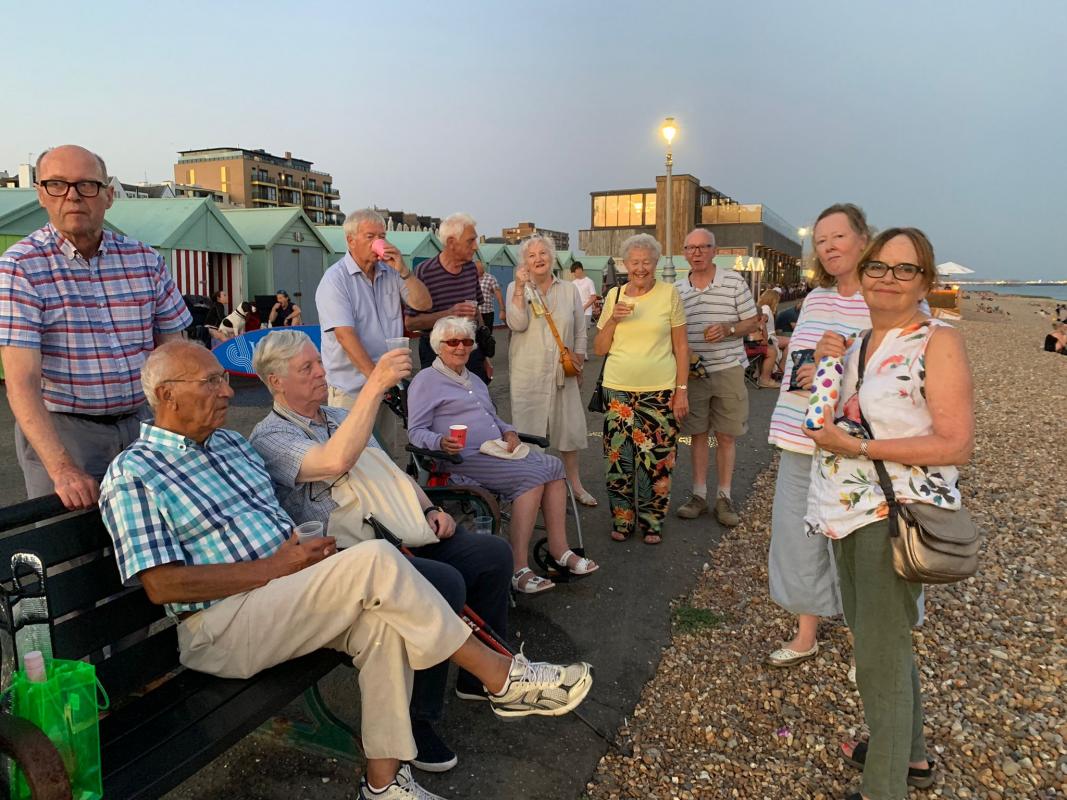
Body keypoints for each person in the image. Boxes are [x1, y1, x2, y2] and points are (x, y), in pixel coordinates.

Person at [99, 340, 593, 800]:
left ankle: (383, 785)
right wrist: (277, 565)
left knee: (381, 624)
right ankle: (500, 676)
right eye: (211, 382)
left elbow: (284, 516)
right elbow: (161, 585)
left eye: (222, 380)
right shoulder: (135, 472)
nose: (227, 389)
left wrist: (304, 551)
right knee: (378, 561)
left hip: (284, 592)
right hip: (220, 625)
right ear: (167, 395)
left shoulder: (230, 445)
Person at [248, 330, 512, 774]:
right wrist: (375, 384)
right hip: (353, 552)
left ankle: (474, 678)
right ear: (276, 382)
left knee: (492, 555)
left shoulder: (337, 413)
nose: (321, 372)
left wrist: (429, 510)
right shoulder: (268, 436)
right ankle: (417, 720)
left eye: (318, 362)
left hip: (400, 529)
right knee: (442, 583)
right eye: (307, 368)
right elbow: (333, 462)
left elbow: (391, 473)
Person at [804, 227, 972, 800]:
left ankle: (884, 787)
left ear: (925, 280)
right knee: (884, 642)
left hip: (891, 514)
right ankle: (912, 757)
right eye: (879, 267)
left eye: (905, 270)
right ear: (863, 270)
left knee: (878, 655)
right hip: (844, 513)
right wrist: (820, 371)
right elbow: (828, 420)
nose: (888, 279)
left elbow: (955, 444)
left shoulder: (936, 340)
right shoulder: (855, 342)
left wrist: (861, 449)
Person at [0, 144, 191, 509]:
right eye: (57, 184)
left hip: (143, 425)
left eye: (87, 185)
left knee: (159, 538)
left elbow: (176, 358)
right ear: (41, 194)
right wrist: (61, 468)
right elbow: (21, 382)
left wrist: (183, 434)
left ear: (109, 195)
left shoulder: (144, 260)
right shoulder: (20, 268)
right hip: (65, 432)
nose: (72, 196)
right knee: (72, 550)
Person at [407, 316, 598, 593]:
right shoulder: (426, 380)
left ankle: (559, 550)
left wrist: (508, 432)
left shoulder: (473, 378)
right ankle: (517, 568)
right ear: (438, 346)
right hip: (461, 458)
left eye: (466, 342)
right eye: (452, 342)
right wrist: (440, 441)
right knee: (531, 479)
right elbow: (415, 431)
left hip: (495, 450)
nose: (460, 347)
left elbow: (492, 417)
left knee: (554, 466)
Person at [766, 203, 872, 668]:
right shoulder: (815, 297)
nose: (828, 247)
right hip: (798, 432)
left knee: (858, 542)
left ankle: (867, 643)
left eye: (838, 237)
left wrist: (839, 364)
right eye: (821, 241)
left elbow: (904, 370)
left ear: (864, 239)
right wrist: (804, 365)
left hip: (854, 445)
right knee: (798, 535)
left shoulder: (887, 296)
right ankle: (806, 632)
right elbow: (800, 361)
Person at [594, 233, 688, 545]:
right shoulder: (614, 296)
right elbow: (599, 348)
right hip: (618, 389)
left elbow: (682, 346)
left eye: (646, 261)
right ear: (625, 264)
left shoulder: (669, 294)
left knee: (657, 460)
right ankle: (622, 520)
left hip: (659, 390)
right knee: (618, 460)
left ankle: (652, 522)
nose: (640, 268)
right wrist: (612, 321)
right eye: (634, 262)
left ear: (656, 263)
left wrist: (682, 390)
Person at [316, 208, 432, 460]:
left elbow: (424, 304)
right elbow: (345, 336)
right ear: (350, 240)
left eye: (382, 235)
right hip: (352, 388)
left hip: (386, 383)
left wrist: (404, 271)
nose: (379, 242)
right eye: (370, 236)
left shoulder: (390, 273)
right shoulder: (335, 280)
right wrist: (376, 380)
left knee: (385, 455)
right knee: (350, 458)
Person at [673, 228, 760, 528]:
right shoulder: (677, 289)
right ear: (684, 252)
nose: (696, 252)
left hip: (728, 368)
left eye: (703, 247)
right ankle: (698, 495)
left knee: (725, 434)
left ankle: (724, 496)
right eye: (690, 247)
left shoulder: (734, 281)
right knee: (696, 434)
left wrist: (729, 329)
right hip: (694, 372)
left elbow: (753, 321)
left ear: (714, 250)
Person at [506, 235, 596, 506]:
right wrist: (521, 288)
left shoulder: (568, 290)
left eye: (543, 253)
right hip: (528, 372)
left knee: (567, 429)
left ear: (552, 257)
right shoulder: (514, 287)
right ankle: (532, 486)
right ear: (524, 262)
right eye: (531, 255)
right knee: (528, 430)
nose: (538, 259)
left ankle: (575, 484)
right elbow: (517, 323)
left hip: (561, 371)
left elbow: (580, 329)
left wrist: (578, 360)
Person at [406, 213, 489, 383]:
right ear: (451, 242)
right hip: (437, 354)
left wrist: (485, 354)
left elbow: (477, 313)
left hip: (470, 352)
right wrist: (449, 313)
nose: (476, 247)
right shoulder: (424, 272)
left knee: (474, 402)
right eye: (470, 241)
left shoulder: (471, 270)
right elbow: (410, 323)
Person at [754, 287, 783, 388]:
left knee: (790, 341)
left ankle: (778, 369)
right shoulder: (766, 307)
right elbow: (763, 318)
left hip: (770, 335)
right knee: (791, 342)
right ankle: (779, 370)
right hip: (770, 336)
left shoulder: (763, 306)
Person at [475, 258, 504, 331]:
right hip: (474, 314)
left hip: (487, 313)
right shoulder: (471, 278)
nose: (477, 270)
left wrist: (502, 309)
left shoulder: (490, 278)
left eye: (479, 268)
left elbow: (498, 294)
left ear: (483, 268)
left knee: (486, 336)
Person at [569, 261, 599, 328]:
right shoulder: (573, 283)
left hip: (586, 312)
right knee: (574, 333)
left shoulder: (589, 282)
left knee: (583, 334)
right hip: (575, 312)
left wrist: (584, 307)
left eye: (574, 272)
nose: (574, 274)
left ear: (579, 269)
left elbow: (593, 297)